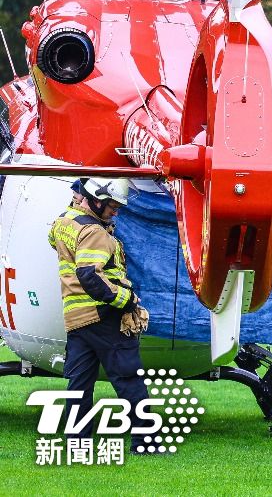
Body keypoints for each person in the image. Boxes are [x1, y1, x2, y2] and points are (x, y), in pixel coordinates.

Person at [53, 178, 151, 441]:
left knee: (79, 386)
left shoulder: (64, 221)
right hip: (103, 316)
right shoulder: (95, 232)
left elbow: (61, 248)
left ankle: (77, 441)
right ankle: (146, 442)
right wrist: (127, 301)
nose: (115, 212)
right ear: (94, 199)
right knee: (129, 379)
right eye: (111, 206)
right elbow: (90, 276)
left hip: (76, 319)